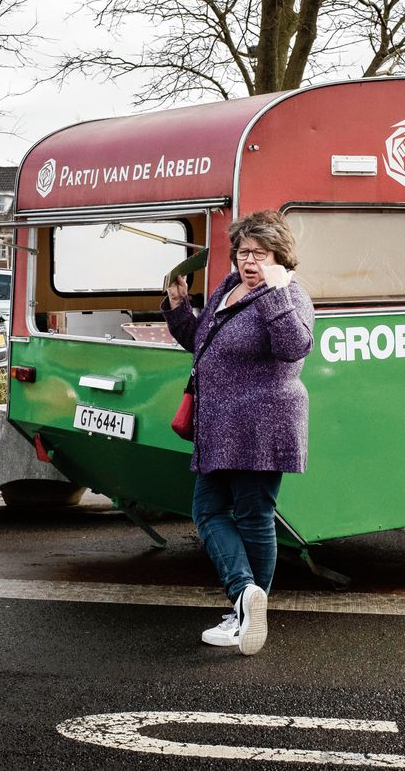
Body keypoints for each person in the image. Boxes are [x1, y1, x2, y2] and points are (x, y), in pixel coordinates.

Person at [162, 211, 314, 655]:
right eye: (243, 252)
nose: (249, 262)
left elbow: (294, 346)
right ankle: (247, 596)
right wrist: (178, 306)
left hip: (262, 423)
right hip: (219, 423)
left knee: (252, 516)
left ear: (279, 257)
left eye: (260, 254)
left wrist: (272, 291)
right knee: (208, 512)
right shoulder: (227, 288)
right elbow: (202, 340)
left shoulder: (290, 294)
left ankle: (246, 610)